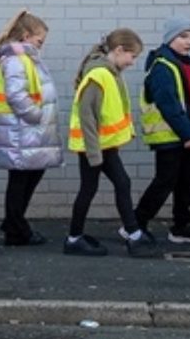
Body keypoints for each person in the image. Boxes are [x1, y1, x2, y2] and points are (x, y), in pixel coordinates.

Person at [0, 8, 62, 247]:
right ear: (25, 35)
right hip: (22, 130)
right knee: (22, 179)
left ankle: (14, 223)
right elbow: (16, 94)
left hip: (19, 130)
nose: (42, 41)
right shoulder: (17, 60)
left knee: (25, 177)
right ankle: (16, 228)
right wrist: (36, 115)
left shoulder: (21, 58)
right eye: (39, 37)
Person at [65, 28, 155, 258]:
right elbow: (87, 116)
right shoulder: (100, 75)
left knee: (120, 183)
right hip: (95, 147)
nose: (133, 62)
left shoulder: (107, 72)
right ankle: (75, 239)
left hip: (102, 145)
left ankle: (132, 233)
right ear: (119, 50)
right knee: (92, 188)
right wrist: (94, 154)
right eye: (132, 56)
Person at [134, 15, 190, 245]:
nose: (188, 42)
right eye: (182, 36)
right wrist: (187, 133)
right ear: (170, 38)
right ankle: (136, 224)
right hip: (170, 135)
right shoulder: (162, 66)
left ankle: (181, 225)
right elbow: (168, 104)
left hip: (186, 135)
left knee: (188, 181)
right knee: (165, 181)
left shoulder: (189, 65)